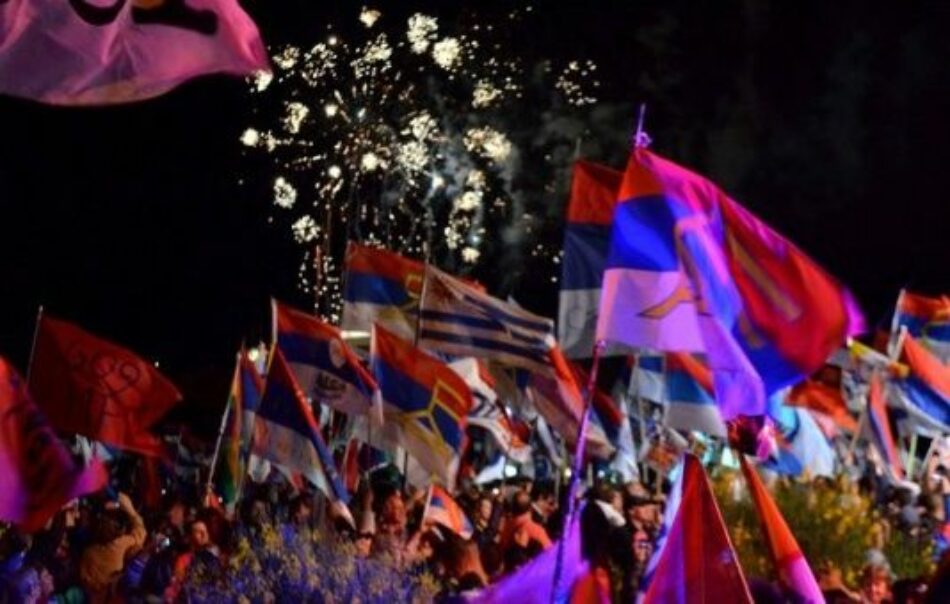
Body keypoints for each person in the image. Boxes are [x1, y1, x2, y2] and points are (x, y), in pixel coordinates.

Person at [79, 492, 147, 604]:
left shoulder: (121, 543)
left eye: (116, 522)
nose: (114, 526)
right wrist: (131, 511)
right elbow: (141, 531)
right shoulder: (90, 552)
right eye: (109, 520)